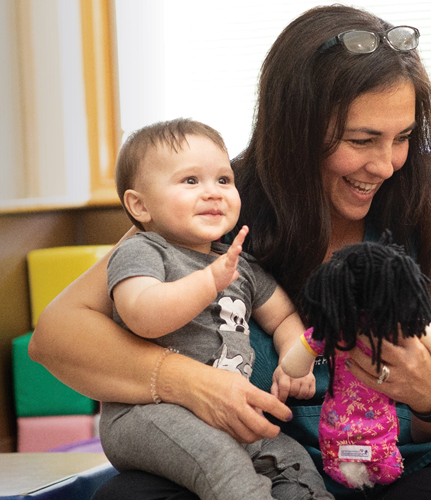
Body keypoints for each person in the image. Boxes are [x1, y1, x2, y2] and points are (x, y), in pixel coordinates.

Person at [28, 5, 431, 499]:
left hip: (391, 471)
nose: (386, 165)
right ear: (295, 129)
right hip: (258, 473)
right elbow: (55, 337)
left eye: (402, 138)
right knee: (130, 494)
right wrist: (194, 384)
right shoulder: (216, 207)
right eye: (361, 140)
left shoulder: (415, 223)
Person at [100, 118, 330, 500]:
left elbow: (284, 317)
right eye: (190, 181)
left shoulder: (239, 265)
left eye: (224, 180)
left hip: (227, 414)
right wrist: (208, 282)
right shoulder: (142, 251)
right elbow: (142, 313)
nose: (213, 193)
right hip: (147, 412)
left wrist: (296, 359)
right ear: (139, 205)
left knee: (293, 462)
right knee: (224, 464)